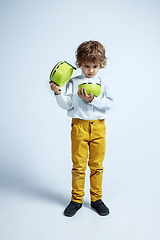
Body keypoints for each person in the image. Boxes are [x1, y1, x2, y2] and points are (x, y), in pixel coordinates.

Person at [50, 40, 114, 217]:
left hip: (99, 128)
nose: (91, 70)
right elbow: (68, 105)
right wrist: (58, 93)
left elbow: (110, 104)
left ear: (101, 64)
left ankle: (96, 199)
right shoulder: (74, 81)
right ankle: (76, 200)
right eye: (87, 65)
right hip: (79, 126)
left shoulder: (103, 81)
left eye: (95, 66)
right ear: (80, 64)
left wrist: (93, 100)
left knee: (97, 166)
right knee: (78, 166)